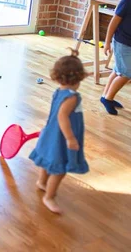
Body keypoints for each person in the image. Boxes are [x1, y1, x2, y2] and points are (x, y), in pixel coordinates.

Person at [29, 49, 89, 214]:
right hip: (61, 136)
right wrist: (70, 138)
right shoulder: (72, 97)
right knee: (60, 168)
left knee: (49, 160)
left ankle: (42, 182)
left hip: (52, 131)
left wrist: (74, 59)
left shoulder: (60, 91)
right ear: (78, 78)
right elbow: (63, 116)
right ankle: (49, 196)